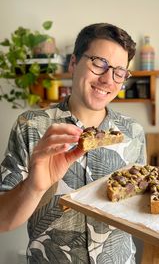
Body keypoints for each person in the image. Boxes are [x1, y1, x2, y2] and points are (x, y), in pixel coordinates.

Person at [0, 23, 147, 263]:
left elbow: (137, 209)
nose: (108, 79)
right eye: (99, 63)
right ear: (73, 62)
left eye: (119, 72)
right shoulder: (31, 126)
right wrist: (33, 187)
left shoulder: (134, 132)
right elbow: (2, 220)